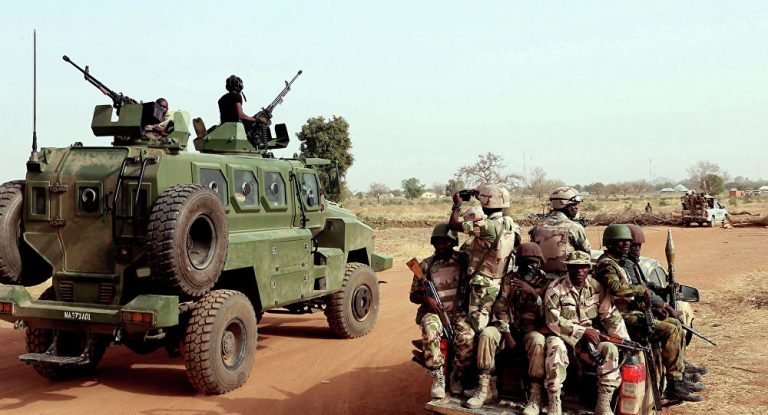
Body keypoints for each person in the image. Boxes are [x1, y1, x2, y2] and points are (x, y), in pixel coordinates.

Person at [595, 224, 703, 402]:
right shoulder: (606, 265)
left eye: (628, 241)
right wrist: (640, 291)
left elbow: (640, 287)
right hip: (619, 317)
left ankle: (677, 379)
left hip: (630, 313)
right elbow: (616, 288)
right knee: (670, 329)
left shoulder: (620, 263)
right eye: (621, 242)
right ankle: (674, 384)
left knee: (675, 324)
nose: (627, 245)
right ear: (610, 243)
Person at [467, 242, 550, 411]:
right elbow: (501, 307)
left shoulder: (545, 283)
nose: (529, 267)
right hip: (509, 330)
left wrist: (534, 294)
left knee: (538, 341)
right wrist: (507, 334)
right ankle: (486, 388)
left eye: (533, 262)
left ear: (539, 263)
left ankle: (535, 396)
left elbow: (549, 315)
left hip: (531, 332)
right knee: (488, 334)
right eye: (525, 262)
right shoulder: (510, 279)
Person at [543, 251, 629, 415]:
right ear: (568, 268)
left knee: (610, 349)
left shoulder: (596, 287)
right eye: (574, 267)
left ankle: (603, 403)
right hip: (562, 336)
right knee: (555, 347)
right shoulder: (555, 288)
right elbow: (553, 320)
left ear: (589, 268)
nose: (579, 271)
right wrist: (582, 331)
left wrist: (624, 340)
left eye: (583, 267)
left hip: (589, 341)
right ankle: (554, 401)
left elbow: (610, 316)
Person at [623, 224, 709, 382]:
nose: (637, 249)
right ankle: (675, 381)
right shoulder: (624, 265)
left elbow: (647, 285)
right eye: (633, 245)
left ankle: (680, 366)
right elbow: (641, 290)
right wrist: (664, 305)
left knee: (676, 323)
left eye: (639, 246)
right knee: (672, 328)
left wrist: (664, 289)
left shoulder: (632, 263)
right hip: (631, 315)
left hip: (640, 310)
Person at [409, 224, 475, 399]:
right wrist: (427, 300)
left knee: (467, 338)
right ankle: (438, 377)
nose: (441, 246)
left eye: (445, 242)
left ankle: (457, 376)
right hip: (436, 313)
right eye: (437, 242)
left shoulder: (463, 260)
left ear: (453, 242)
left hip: (458, 313)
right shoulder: (426, 265)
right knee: (429, 329)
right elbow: (413, 296)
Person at [449, 183, 520, 334]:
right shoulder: (509, 223)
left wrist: (456, 205)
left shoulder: (487, 227)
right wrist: (482, 197)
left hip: (484, 283)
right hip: (501, 280)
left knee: (478, 326)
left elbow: (454, 224)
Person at [530, 187, 591, 277]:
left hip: (540, 278)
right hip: (565, 279)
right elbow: (586, 254)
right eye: (573, 205)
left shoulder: (537, 227)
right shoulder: (574, 228)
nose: (576, 208)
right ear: (564, 206)